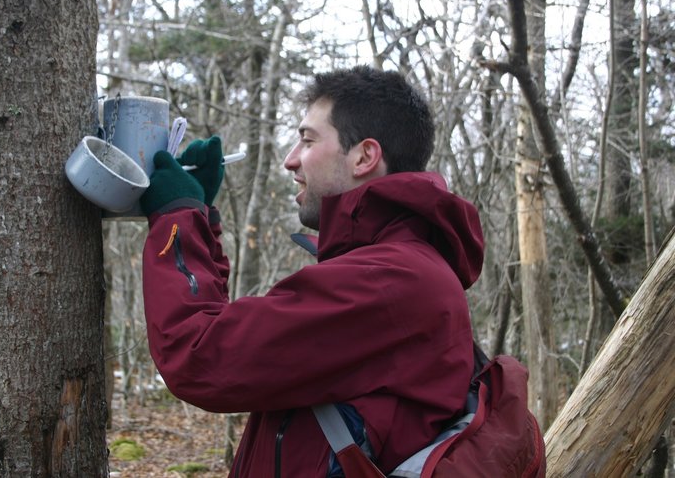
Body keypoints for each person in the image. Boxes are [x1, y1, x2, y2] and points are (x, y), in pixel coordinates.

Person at [138, 65, 484, 477]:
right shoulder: (397, 268)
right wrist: (201, 219)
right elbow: (234, 338)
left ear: (364, 156)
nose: (290, 161)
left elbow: (199, 355)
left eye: (307, 140)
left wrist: (177, 221)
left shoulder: (389, 281)